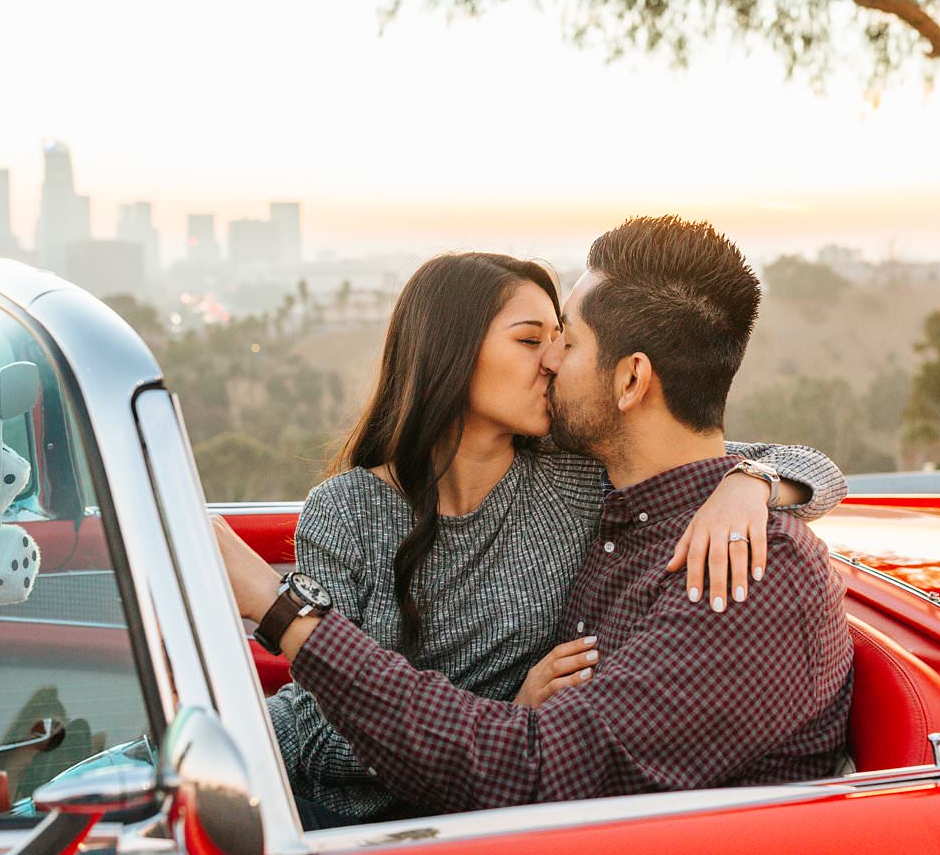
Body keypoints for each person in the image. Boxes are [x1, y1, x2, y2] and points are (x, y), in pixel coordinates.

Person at [216, 221, 853, 821]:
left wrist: (279, 610)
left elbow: (535, 768)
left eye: (566, 341)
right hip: (306, 784)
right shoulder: (626, 510)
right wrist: (754, 479)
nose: (551, 361)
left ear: (630, 381)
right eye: (535, 340)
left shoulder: (736, 566)